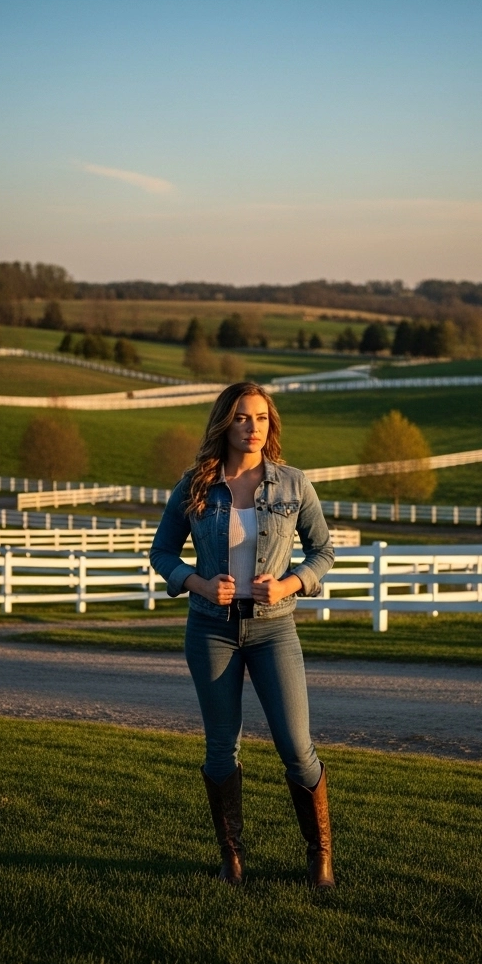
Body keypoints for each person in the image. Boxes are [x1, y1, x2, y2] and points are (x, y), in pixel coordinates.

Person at [149, 381, 336, 890]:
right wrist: (200, 584)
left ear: (271, 425)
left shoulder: (295, 485)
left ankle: (319, 856)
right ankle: (232, 858)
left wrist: (288, 583)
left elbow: (324, 553)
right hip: (211, 632)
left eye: (260, 418)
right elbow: (161, 552)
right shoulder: (195, 486)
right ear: (223, 424)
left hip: (275, 631)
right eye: (241, 418)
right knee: (220, 749)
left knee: (297, 747)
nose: (252, 427)